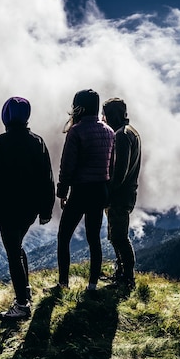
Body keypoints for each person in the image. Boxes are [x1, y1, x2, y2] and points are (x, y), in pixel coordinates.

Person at [0, 97, 55, 320]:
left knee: (13, 253)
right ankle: (26, 291)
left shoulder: (0, 143)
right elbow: (47, 178)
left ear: (6, 116)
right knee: (17, 246)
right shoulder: (38, 141)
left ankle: (22, 305)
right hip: (29, 210)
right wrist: (46, 211)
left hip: (7, 210)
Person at [56, 89, 115, 291]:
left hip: (81, 191)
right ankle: (92, 285)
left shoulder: (76, 131)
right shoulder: (109, 131)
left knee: (64, 236)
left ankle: (63, 283)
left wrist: (62, 192)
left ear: (79, 107)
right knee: (94, 239)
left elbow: (67, 166)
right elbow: (111, 167)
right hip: (100, 190)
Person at [103, 97, 141, 289]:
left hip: (119, 195)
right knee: (117, 235)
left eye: (105, 114)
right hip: (127, 193)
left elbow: (120, 170)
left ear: (112, 115)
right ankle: (122, 274)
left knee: (119, 236)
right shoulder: (132, 132)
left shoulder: (121, 135)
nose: (103, 118)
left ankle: (127, 278)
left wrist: (108, 192)